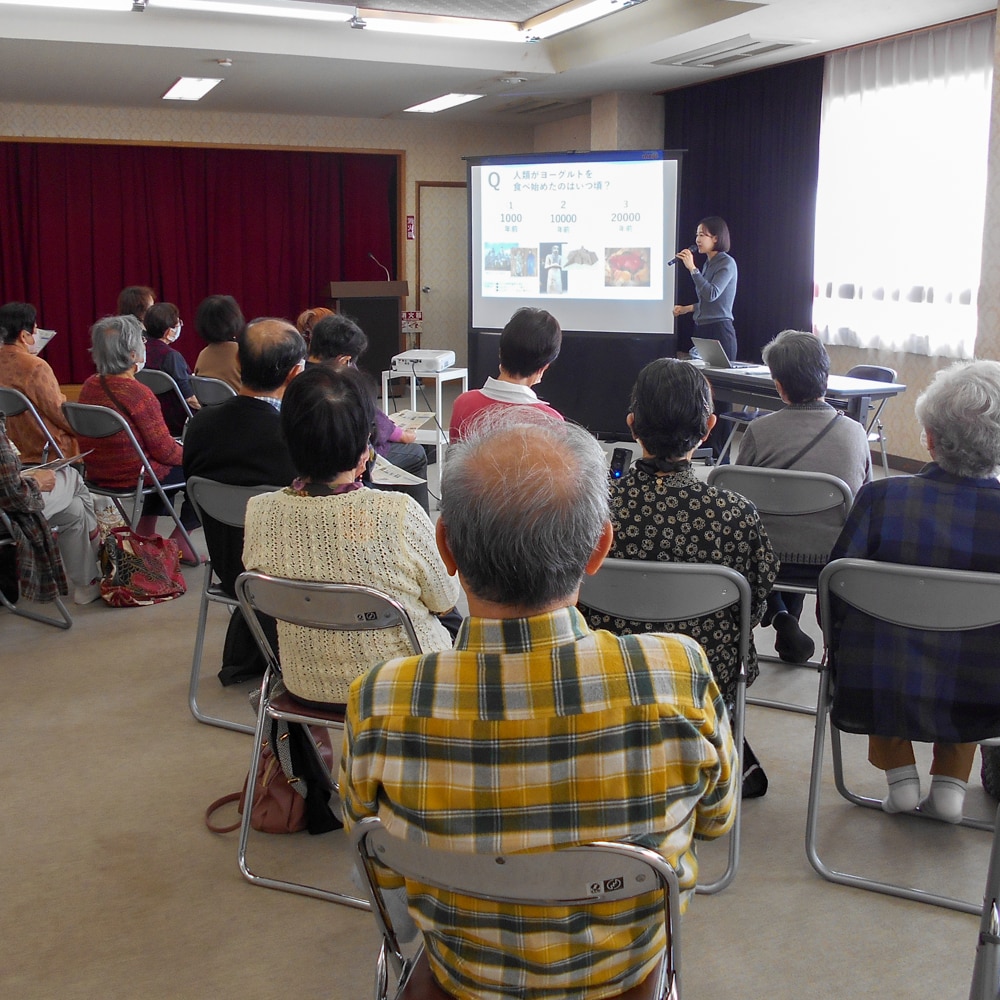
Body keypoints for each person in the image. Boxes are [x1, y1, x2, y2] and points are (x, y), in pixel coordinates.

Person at [340, 410, 736, 1000]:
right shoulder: (677, 673)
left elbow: (381, 864)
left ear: (444, 547)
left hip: (464, 976)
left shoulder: (379, 698)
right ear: (600, 547)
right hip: (623, 977)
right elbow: (716, 819)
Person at [578, 358, 776, 794]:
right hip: (704, 680)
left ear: (632, 425)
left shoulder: (588, 510)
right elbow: (756, 608)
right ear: (707, 427)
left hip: (606, 674)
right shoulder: (736, 515)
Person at [829, 360, 1000, 824]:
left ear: (928, 437)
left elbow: (834, 601)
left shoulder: (880, 501)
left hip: (881, 683)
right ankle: (950, 783)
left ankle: (900, 775)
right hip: (982, 691)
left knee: (879, 638)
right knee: (978, 647)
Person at [242, 365, 458, 707]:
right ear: (365, 445)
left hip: (304, 683)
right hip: (402, 685)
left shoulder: (259, 512)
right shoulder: (398, 512)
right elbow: (445, 599)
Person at [736, 329, 871, 663]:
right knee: (801, 525)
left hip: (763, 563)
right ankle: (788, 620)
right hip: (828, 561)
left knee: (769, 529)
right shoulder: (855, 434)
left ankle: (783, 617)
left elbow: (737, 503)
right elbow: (862, 502)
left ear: (779, 386)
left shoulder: (758, 431)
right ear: (825, 377)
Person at [183, 318, 305, 684]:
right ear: (297, 373)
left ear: (237, 366)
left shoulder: (199, 426)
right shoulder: (296, 437)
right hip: (290, 570)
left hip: (228, 568)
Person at [76, 314, 199, 564]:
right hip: (135, 474)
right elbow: (165, 451)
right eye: (141, 342)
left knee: (159, 466)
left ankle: (144, 532)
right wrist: (198, 454)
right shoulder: (138, 393)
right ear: (133, 355)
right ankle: (180, 540)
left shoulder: (89, 385)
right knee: (207, 470)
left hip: (98, 472)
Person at [306, 313, 430, 512]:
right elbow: (371, 423)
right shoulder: (345, 383)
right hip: (345, 462)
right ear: (343, 359)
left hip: (305, 463)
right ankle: (418, 523)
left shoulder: (295, 377)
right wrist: (398, 433)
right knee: (416, 454)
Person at [0, 414, 100, 605]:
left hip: (8, 505)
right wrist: (37, 481)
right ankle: (95, 539)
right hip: (9, 515)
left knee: (73, 509)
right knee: (71, 474)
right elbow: (15, 496)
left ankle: (87, 585)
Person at [448, 306, 563, 442]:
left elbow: (455, 459)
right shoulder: (551, 422)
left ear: (500, 352)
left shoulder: (463, 403)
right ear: (543, 367)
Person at [0, 301, 80, 464]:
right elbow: (59, 414)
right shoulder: (36, 367)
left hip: (11, 448)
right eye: (35, 330)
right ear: (23, 336)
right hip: (46, 450)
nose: (36, 334)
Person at [672, 215, 738, 361]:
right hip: (702, 327)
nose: (697, 240)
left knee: (719, 380)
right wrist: (686, 309)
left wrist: (692, 269)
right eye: (697, 235)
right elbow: (709, 302)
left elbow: (711, 294)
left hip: (719, 329)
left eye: (702, 235)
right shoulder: (708, 263)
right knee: (704, 379)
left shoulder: (726, 263)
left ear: (716, 238)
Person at [142, 302, 200, 436]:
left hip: (151, 418)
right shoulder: (171, 357)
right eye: (177, 323)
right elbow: (190, 399)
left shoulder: (138, 351)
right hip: (177, 422)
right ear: (168, 331)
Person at [193, 294, 245, 391]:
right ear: (234, 320)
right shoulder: (244, 353)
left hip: (210, 406)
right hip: (242, 405)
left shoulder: (203, 355)